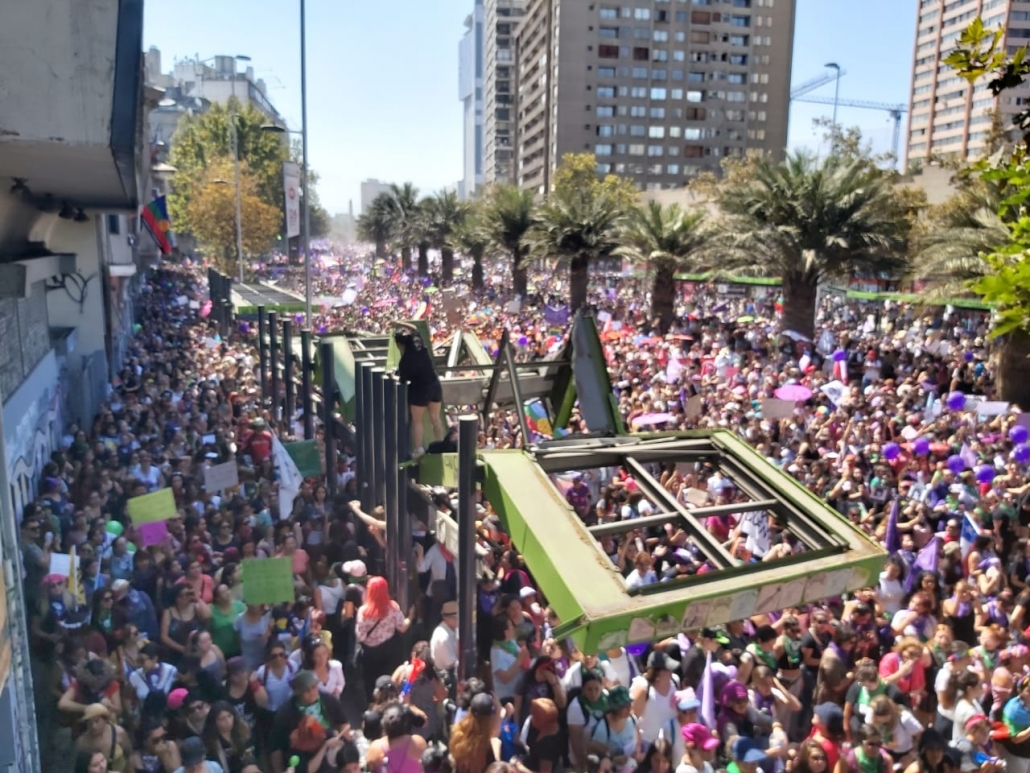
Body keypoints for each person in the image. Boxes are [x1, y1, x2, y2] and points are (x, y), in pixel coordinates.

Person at [356, 576, 412, 704]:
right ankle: (390, 704)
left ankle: (373, 705)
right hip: (389, 651)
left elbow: (360, 636)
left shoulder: (363, 611)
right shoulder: (393, 607)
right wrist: (410, 617)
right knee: (390, 680)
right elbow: (402, 627)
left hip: (370, 653)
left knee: (370, 682)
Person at [393, 321, 444, 455]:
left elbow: (402, 380)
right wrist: (397, 322)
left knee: (417, 421)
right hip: (434, 385)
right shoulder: (418, 345)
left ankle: (419, 449)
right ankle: (441, 445)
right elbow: (414, 328)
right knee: (436, 418)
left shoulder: (404, 362)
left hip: (420, 390)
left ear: (399, 345)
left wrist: (392, 377)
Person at [364, 702, 429, 773]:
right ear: (405, 723)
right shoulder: (418, 742)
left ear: (383, 725)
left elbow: (369, 768)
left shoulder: (374, 748)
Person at [74, 704, 133, 773]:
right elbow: (81, 767)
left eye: (97, 721)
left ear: (105, 719)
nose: (94, 726)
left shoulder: (118, 732)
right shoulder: (82, 742)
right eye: (90, 723)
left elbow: (129, 755)